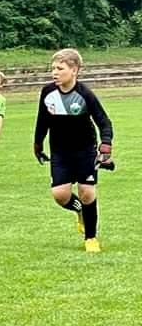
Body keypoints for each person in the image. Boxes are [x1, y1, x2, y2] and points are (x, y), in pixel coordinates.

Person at [33, 48, 114, 253]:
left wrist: (105, 145)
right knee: (60, 195)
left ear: (74, 70)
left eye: (60, 68)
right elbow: (42, 121)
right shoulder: (47, 92)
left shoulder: (84, 94)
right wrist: (38, 144)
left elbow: (104, 122)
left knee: (87, 192)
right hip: (60, 152)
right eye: (53, 68)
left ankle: (91, 238)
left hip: (85, 151)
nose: (54, 72)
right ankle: (80, 212)